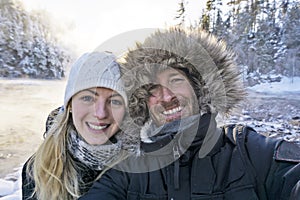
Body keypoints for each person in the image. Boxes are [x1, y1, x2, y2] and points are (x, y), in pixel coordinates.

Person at [79, 28, 300, 200]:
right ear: (144, 103)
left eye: (175, 81)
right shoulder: (129, 171)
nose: (166, 97)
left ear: (200, 87)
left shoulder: (249, 153)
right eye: (152, 89)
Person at [21, 51, 138, 200]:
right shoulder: (40, 168)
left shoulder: (143, 166)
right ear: (69, 105)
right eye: (88, 98)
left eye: (115, 101)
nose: (100, 113)